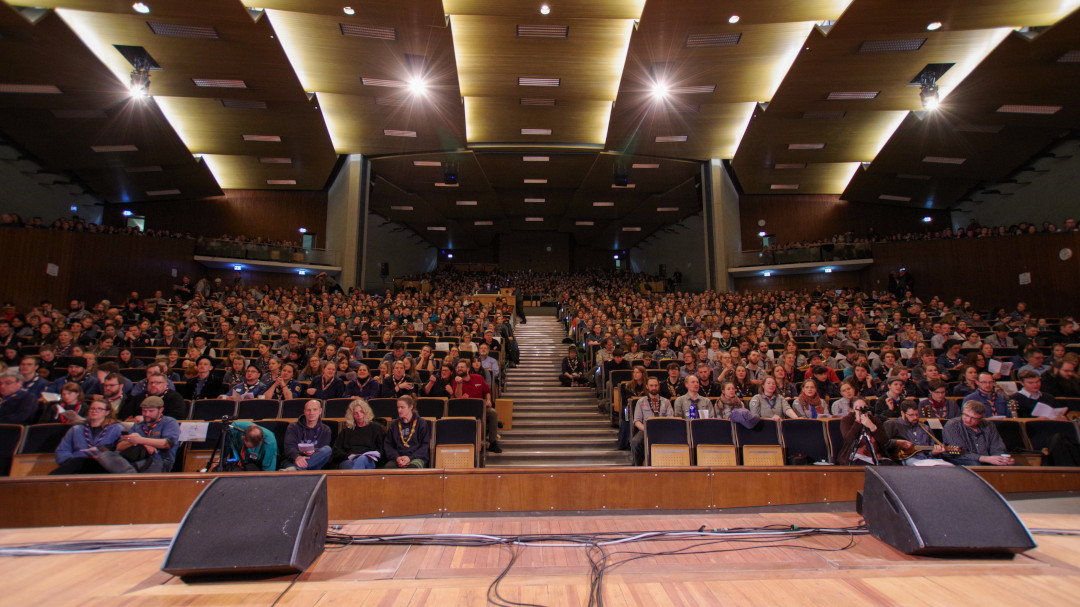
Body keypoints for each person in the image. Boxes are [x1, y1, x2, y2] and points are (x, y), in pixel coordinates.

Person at [95, 396, 181, 473]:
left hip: (158, 460)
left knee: (125, 466)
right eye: (144, 411)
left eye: (151, 411)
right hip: (134, 457)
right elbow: (119, 447)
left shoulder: (169, 422)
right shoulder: (138, 425)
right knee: (105, 455)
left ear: (160, 410)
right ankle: (130, 475)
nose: (146, 414)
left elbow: (168, 443)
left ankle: (129, 475)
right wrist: (132, 441)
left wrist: (141, 440)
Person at [50, 401, 124, 474]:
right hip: (76, 465)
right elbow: (62, 450)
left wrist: (105, 458)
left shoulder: (116, 429)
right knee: (77, 462)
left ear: (107, 412)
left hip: (104, 465)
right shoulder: (76, 429)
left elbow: (121, 450)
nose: (94, 411)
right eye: (92, 408)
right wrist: (69, 461)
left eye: (99, 409)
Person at [450, 359, 501, 452]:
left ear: (468, 369)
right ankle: (478, 444)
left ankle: (493, 442)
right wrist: (459, 383)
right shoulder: (456, 381)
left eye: (462, 367)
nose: (459, 369)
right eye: (458, 367)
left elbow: (487, 391)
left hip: (481, 408)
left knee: (493, 413)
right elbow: (457, 395)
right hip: (465, 410)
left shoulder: (478, 377)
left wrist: (488, 400)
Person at [942, 401, 1014, 466]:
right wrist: (984, 458)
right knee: (975, 464)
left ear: (980, 418)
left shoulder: (989, 425)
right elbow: (960, 452)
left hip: (987, 459)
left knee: (1012, 465)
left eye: (974, 418)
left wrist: (1002, 459)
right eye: (966, 415)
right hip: (961, 459)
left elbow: (997, 447)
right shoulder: (953, 425)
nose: (969, 420)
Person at [885, 401, 951, 466]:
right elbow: (885, 444)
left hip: (927, 460)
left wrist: (934, 453)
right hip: (906, 460)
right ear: (903, 413)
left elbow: (932, 448)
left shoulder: (925, 428)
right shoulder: (892, 424)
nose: (915, 418)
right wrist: (898, 442)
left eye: (917, 414)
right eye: (911, 415)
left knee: (950, 467)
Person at [630, 377, 673, 466]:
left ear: (659, 386)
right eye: (651, 385)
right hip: (645, 429)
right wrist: (645, 429)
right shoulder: (640, 401)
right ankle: (637, 467)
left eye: (656, 385)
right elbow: (637, 421)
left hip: (663, 430)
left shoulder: (666, 402)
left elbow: (670, 419)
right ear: (647, 387)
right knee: (635, 442)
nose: (654, 388)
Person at [334, 398, 385, 469]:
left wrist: (369, 456)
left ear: (366, 412)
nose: (359, 415)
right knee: (348, 464)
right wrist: (348, 456)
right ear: (352, 416)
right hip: (349, 460)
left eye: (361, 412)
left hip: (368, 460)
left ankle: (353, 479)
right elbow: (336, 451)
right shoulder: (346, 431)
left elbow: (381, 451)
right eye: (355, 413)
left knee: (362, 459)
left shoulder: (376, 429)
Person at [838, 398, 892, 465]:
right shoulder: (847, 420)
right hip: (856, 456)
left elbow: (885, 441)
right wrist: (858, 422)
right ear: (851, 410)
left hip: (876, 456)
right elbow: (849, 439)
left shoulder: (874, 420)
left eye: (864, 408)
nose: (861, 411)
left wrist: (872, 427)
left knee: (893, 468)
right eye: (857, 408)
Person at [282, 400, 332, 471]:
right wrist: (298, 457)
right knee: (295, 467)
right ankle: (300, 469)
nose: (311, 413)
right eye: (308, 410)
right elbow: (289, 447)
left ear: (320, 411)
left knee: (327, 450)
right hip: (294, 460)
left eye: (315, 410)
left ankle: (298, 469)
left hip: (314, 461)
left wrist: (313, 451)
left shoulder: (326, 429)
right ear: (304, 412)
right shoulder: (293, 427)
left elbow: (322, 450)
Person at [383, 395, 431, 468]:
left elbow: (425, 446)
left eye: (402, 407)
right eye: (398, 407)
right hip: (398, 458)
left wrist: (410, 458)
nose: (399, 410)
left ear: (410, 407)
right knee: (388, 468)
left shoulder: (421, 423)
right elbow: (388, 445)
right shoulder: (394, 424)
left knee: (412, 468)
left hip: (416, 458)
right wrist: (397, 458)